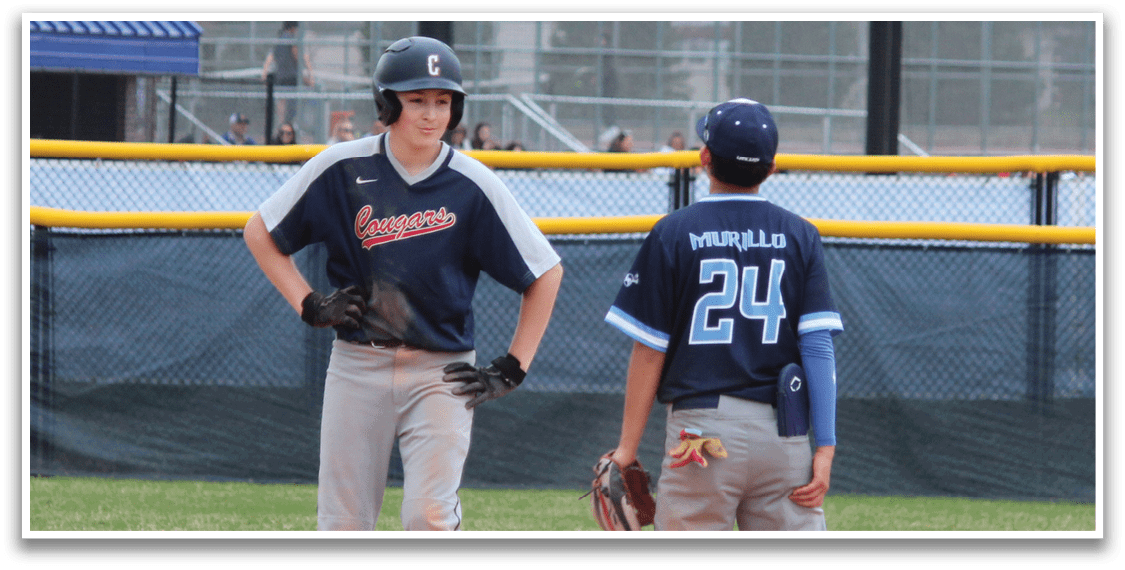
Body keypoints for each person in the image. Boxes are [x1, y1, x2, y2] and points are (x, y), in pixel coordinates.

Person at [243, 36, 563, 532]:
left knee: (429, 518)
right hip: (357, 363)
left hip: (442, 370)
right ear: (387, 104)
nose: (432, 114)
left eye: (443, 101)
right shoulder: (342, 166)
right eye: (416, 100)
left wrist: (515, 366)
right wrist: (308, 303)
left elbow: (545, 272)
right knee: (343, 521)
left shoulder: (473, 183)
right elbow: (260, 232)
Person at [603, 98, 843, 531]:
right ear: (772, 168)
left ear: (704, 158)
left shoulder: (673, 232)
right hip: (784, 436)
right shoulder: (801, 235)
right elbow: (818, 347)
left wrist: (627, 448)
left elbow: (649, 351)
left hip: (700, 436)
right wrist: (823, 447)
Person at [262, 22, 315, 124]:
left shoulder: (279, 40)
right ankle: (289, 124)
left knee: (282, 102)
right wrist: (309, 74)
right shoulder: (291, 39)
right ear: (293, 28)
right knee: (293, 104)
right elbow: (298, 56)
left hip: (281, 77)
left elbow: (270, 57)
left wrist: (264, 73)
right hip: (292, 77)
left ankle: (282, 124)